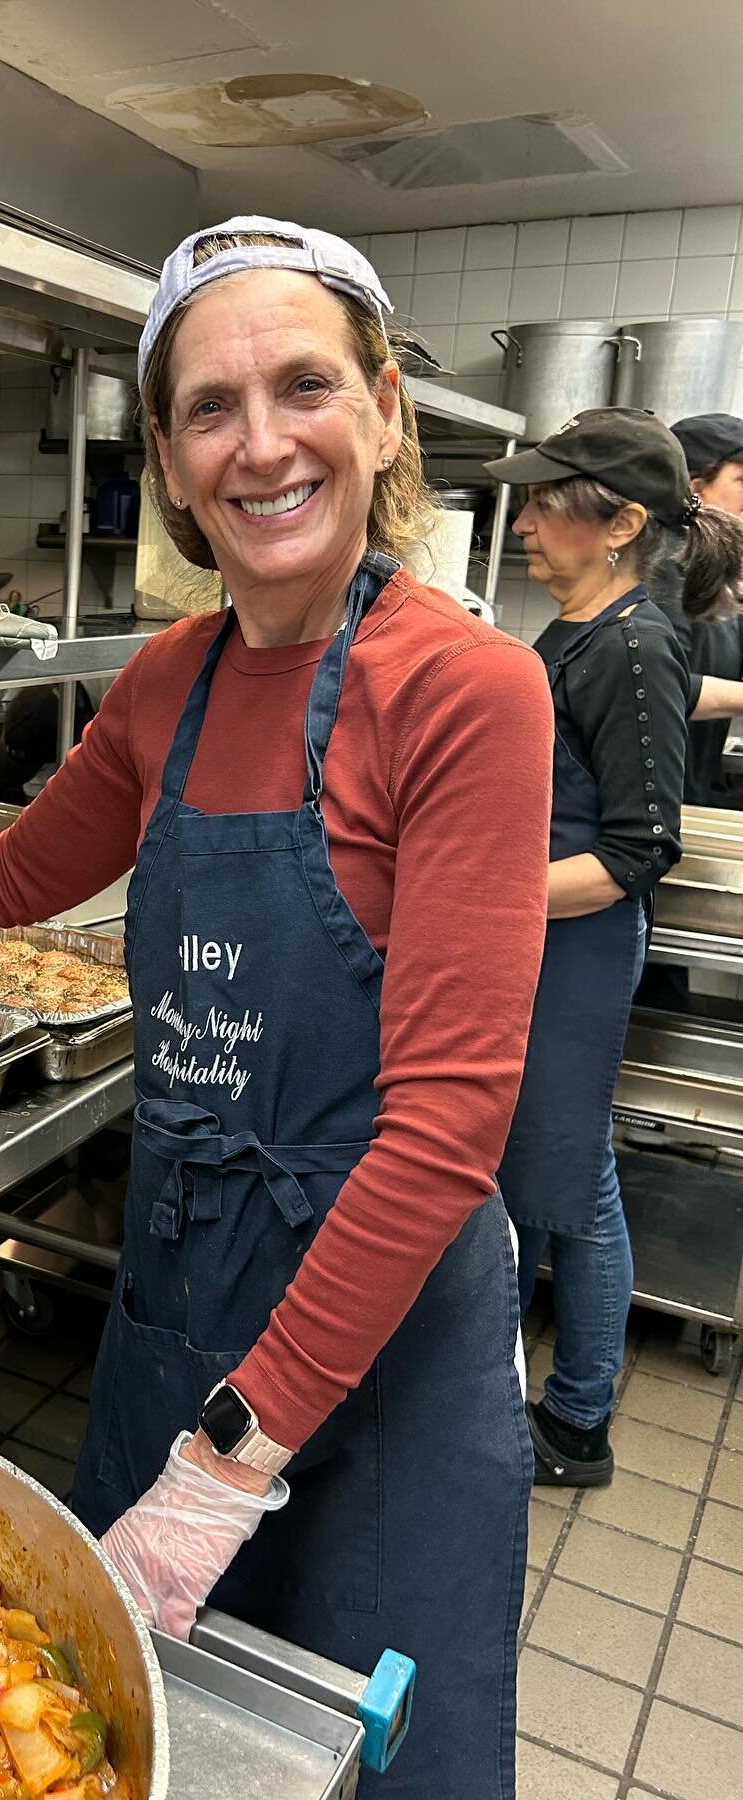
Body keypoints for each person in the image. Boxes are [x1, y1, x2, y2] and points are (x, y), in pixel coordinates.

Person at [0, 218, 557, 1798]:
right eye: (211, 408)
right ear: (166, 452)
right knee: (125, 1745)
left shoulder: (468, 690)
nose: (261, 443)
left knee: (361, 1764)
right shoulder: (170, 679)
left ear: (387, 411)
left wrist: (228, 1467)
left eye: (304, 386)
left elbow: (445, 1132)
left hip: (373, 1347)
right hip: (184, 1300)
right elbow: (17, 873)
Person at [484, 409, 743, 1488]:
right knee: (537, 1171)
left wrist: (480, 901)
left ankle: (579, 1418)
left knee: (576, 1177)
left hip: (577, 947)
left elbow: (641, 849)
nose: (527, 522)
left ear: (625, 521)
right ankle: (501, 1381)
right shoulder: (578, 631)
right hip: (544, 939)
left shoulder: (632, 643)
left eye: (550, 502)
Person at [667, 414, 743, 805]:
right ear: (697, 489)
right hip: (648, 806)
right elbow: (657, 687)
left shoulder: (723, 583)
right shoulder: (662, 572)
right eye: (742, 481)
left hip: (696, 796)